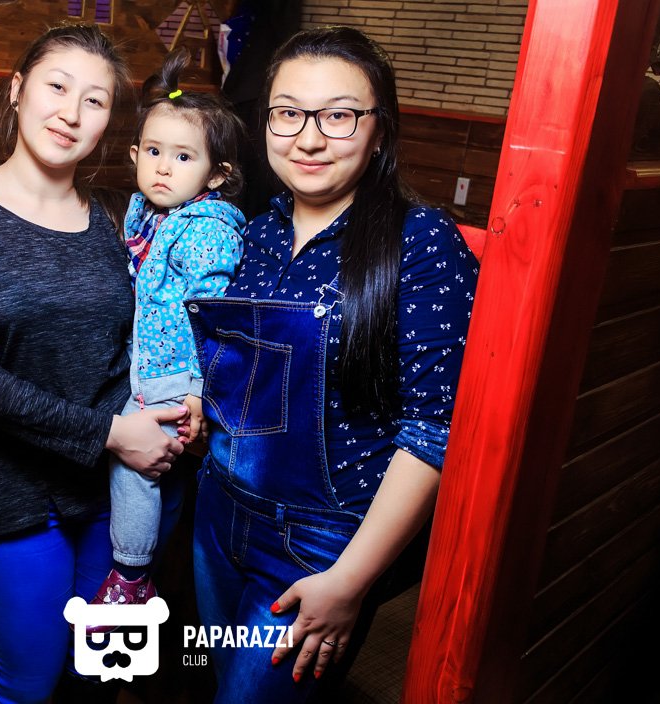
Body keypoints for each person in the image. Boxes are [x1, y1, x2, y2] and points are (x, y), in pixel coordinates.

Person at [188, 26, 479, 703]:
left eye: (339, 116)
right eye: (288, 113)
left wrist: (350, 581)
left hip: (321, 544)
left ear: (379, 130)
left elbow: (434, 430)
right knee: (215, 685)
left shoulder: (421, 242)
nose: (309, 138)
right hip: (217, 512)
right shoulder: (255, 232)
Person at [0, 24, 187, 704]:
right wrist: (114, 433)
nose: (71, 112)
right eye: (57, 87)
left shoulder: (119, 216)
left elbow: (153, 333)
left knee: (98, 675)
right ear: (17, 90)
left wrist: (186, 399)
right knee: (27, 685)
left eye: (95, 100)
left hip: (116, 491)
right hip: (14, 493)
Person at [89, 48, 246, 612]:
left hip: (177, 375)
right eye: (154, 152)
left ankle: (130, 576)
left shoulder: (206, 228)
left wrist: (200, 390)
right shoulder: (148, 214)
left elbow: (213, 314)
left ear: (216, 175)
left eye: (183, 157)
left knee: (134, 470)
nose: (163, 167)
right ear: (135, 155)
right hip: (147, 365)